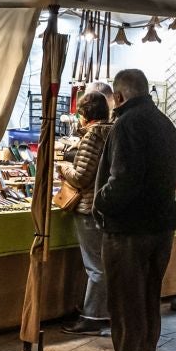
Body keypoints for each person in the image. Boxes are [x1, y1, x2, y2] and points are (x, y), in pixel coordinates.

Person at [84, 68, 176, 351]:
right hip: (161, 227)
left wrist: (100, 202)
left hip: (129, 230)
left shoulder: (127, 123)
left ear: (120, 96)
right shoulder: (165, 124)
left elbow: (123, 179)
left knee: (126, 302)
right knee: (148, 300)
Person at [60, 92, 114, 337]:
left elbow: (81, 176)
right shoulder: (114, 132)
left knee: (95, 266)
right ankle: (102, 312)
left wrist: (63, 167)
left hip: (89, 207)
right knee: (103, 264)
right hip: (105, 206)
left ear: (85, 115)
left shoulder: (93, 136)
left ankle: (92, 316)